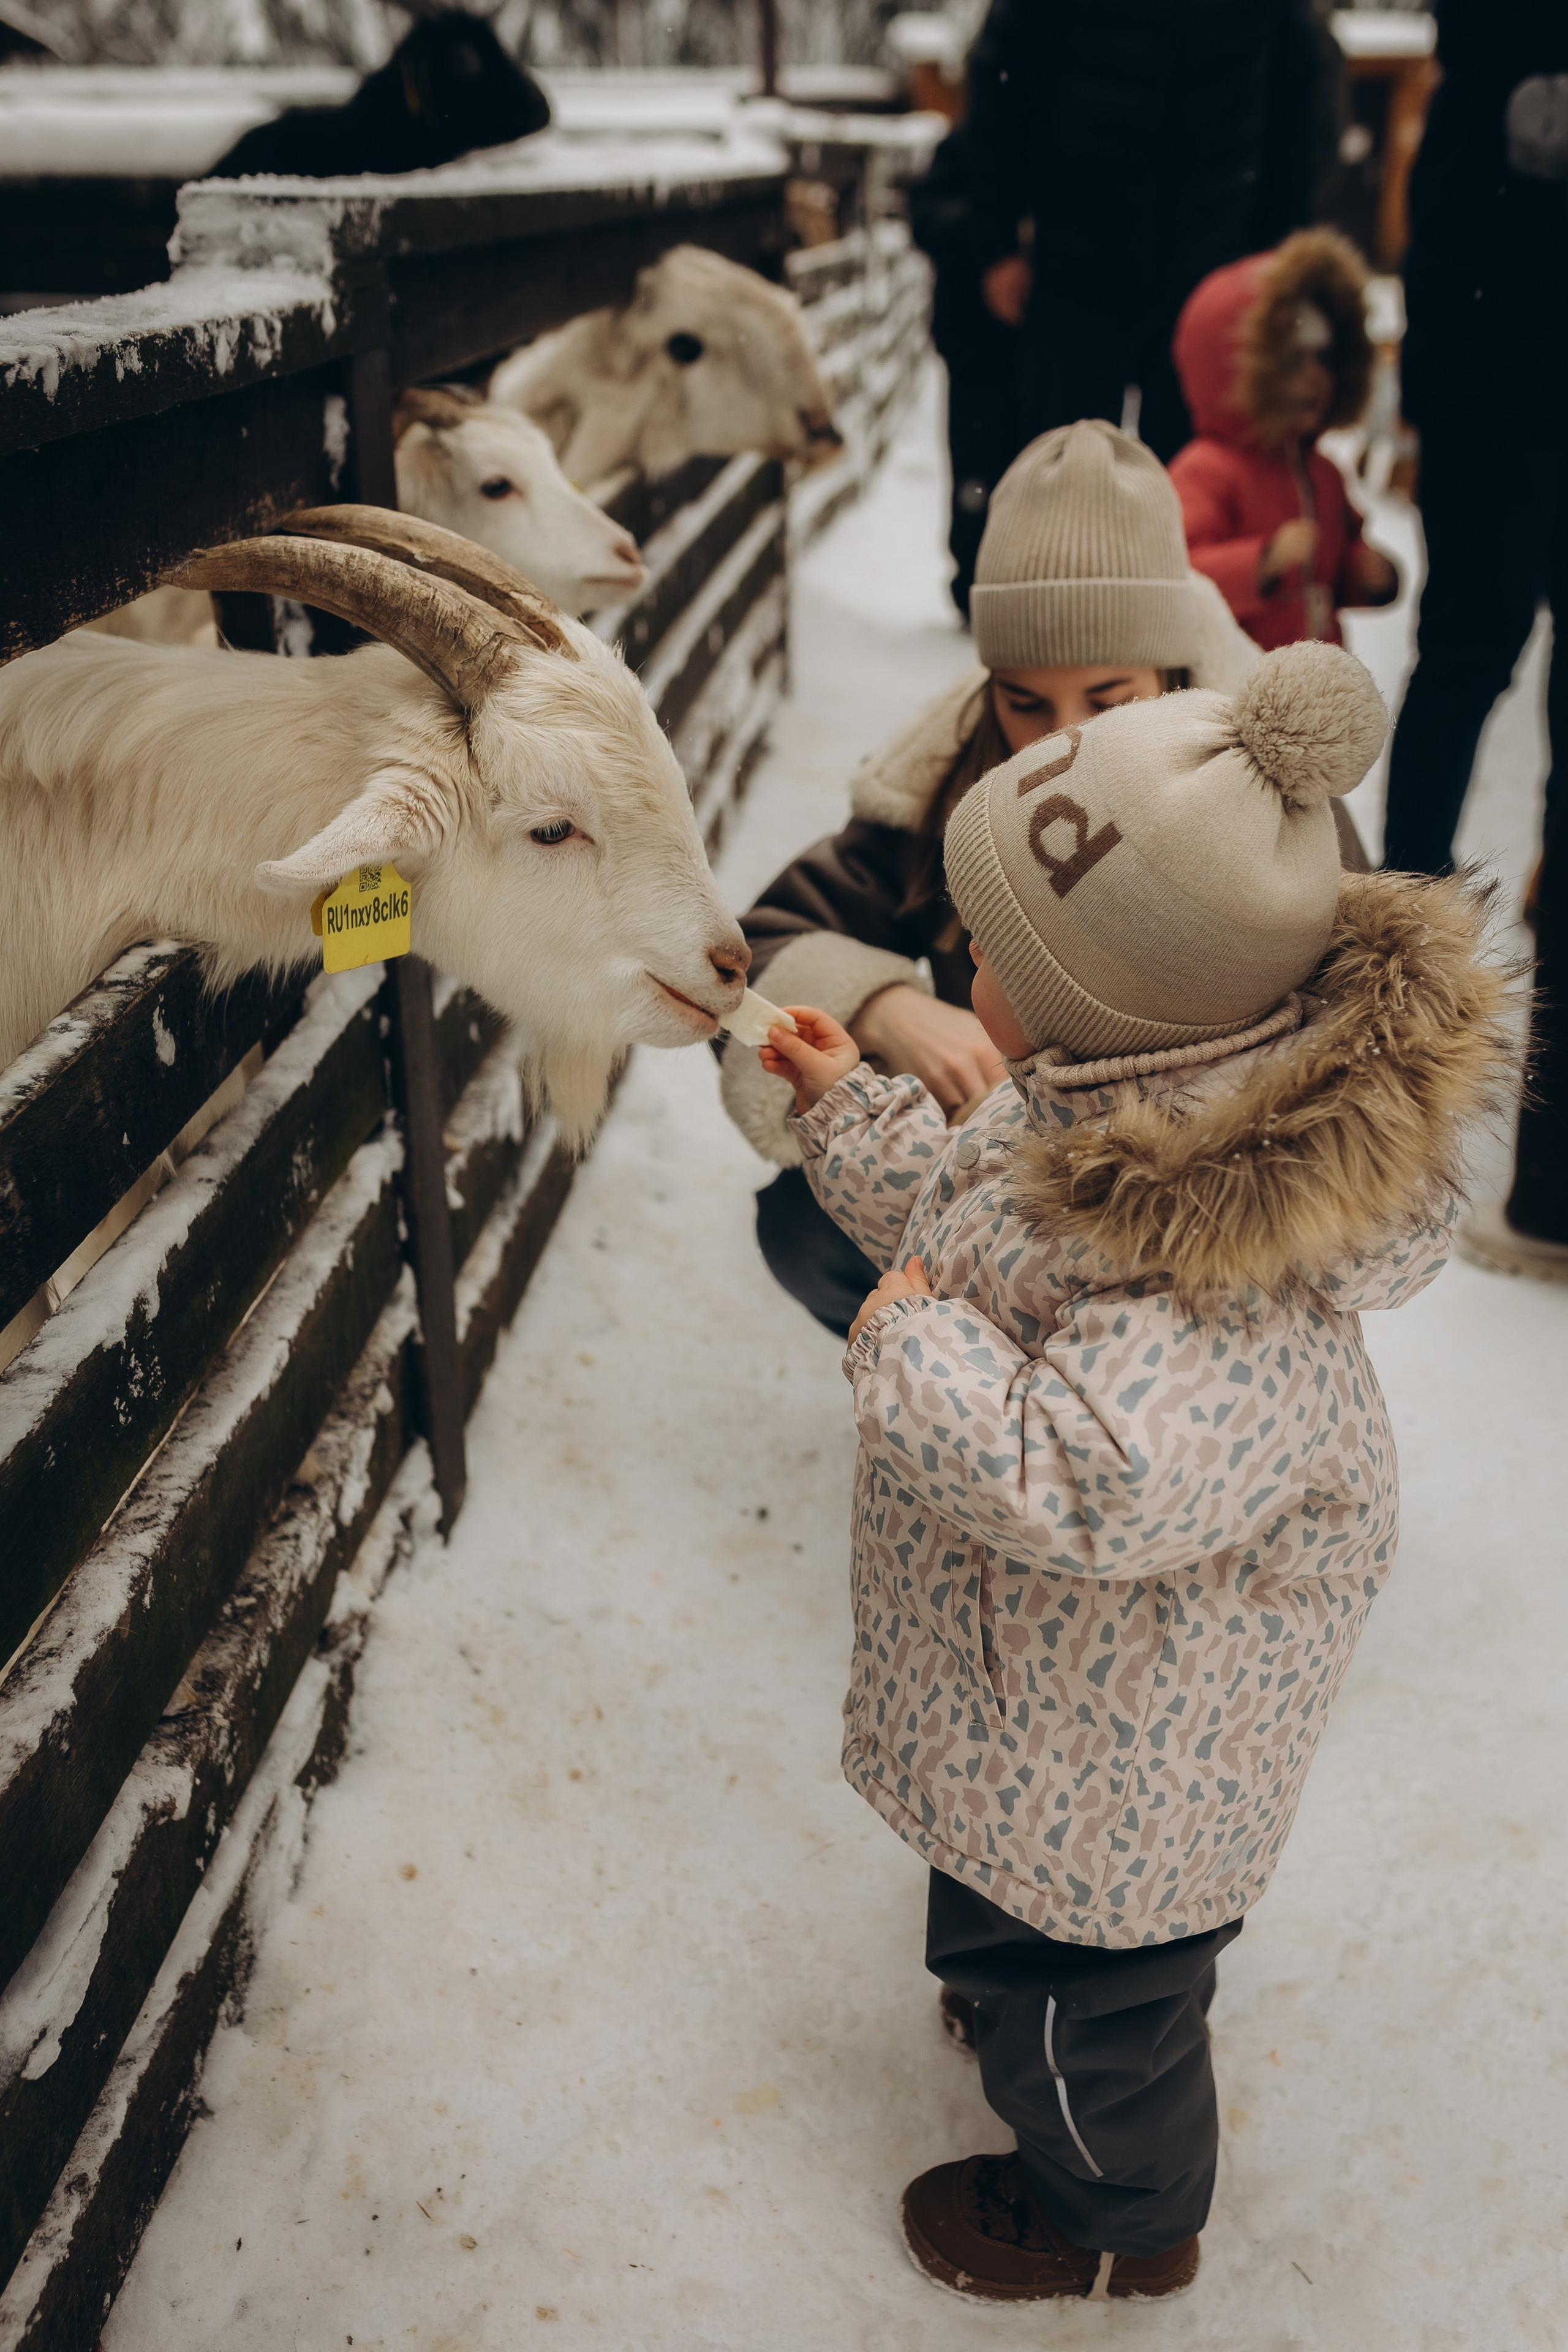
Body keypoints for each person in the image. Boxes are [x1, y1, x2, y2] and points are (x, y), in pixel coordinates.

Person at [752, 641, 1512, 2302]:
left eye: (992, 949)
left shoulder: (1220, 1263)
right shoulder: (1099, 1100)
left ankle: (1116, 2215)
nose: (960, 961)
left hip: (1126, 1766)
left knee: (1093, 2010)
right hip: (1053, 1719)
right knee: (1027, 1949)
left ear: (1115, 991)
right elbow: (975, 1223)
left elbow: (1098, 1482)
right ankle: (1041, 2005)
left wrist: (906, 1346)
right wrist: (838, 1106)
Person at [725, 420, 1363, 1336]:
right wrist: (883, 1008)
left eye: (1110, 700)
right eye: (1025, 701)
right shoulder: (950, 779)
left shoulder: (1274, 809)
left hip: (1207, 1231)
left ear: (1174, 667)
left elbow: (1362, 1048)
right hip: (1007, 1184)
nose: (1064, 737)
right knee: (806, 1227)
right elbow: (762, 942)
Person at [957, 0, 1341, 470]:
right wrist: (996, 244)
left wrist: (1279, 264)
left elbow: (1302, 114)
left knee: (1198, 482)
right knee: (1068, 478)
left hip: (1215, 281)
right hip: (1077, 266)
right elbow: (1002, 90)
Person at [1382, 0, 1568, 875]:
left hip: (1483, 386)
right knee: (1464, 656)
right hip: (1492, 394)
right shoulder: (1494, 44)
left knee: (1460, 660)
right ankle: (1406, 939)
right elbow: (1446, 227)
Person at [1167, 230, 1400, 650]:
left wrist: (1364, 572)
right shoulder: (1205, 470)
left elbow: (1339, 554)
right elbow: (1178, 575)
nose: (1315, 377)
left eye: (1325, 359)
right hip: (1235, 682)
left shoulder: (1321, 472)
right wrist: (1262, 562)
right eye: (1294, 361)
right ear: (1236, 367)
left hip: (1317, 681)